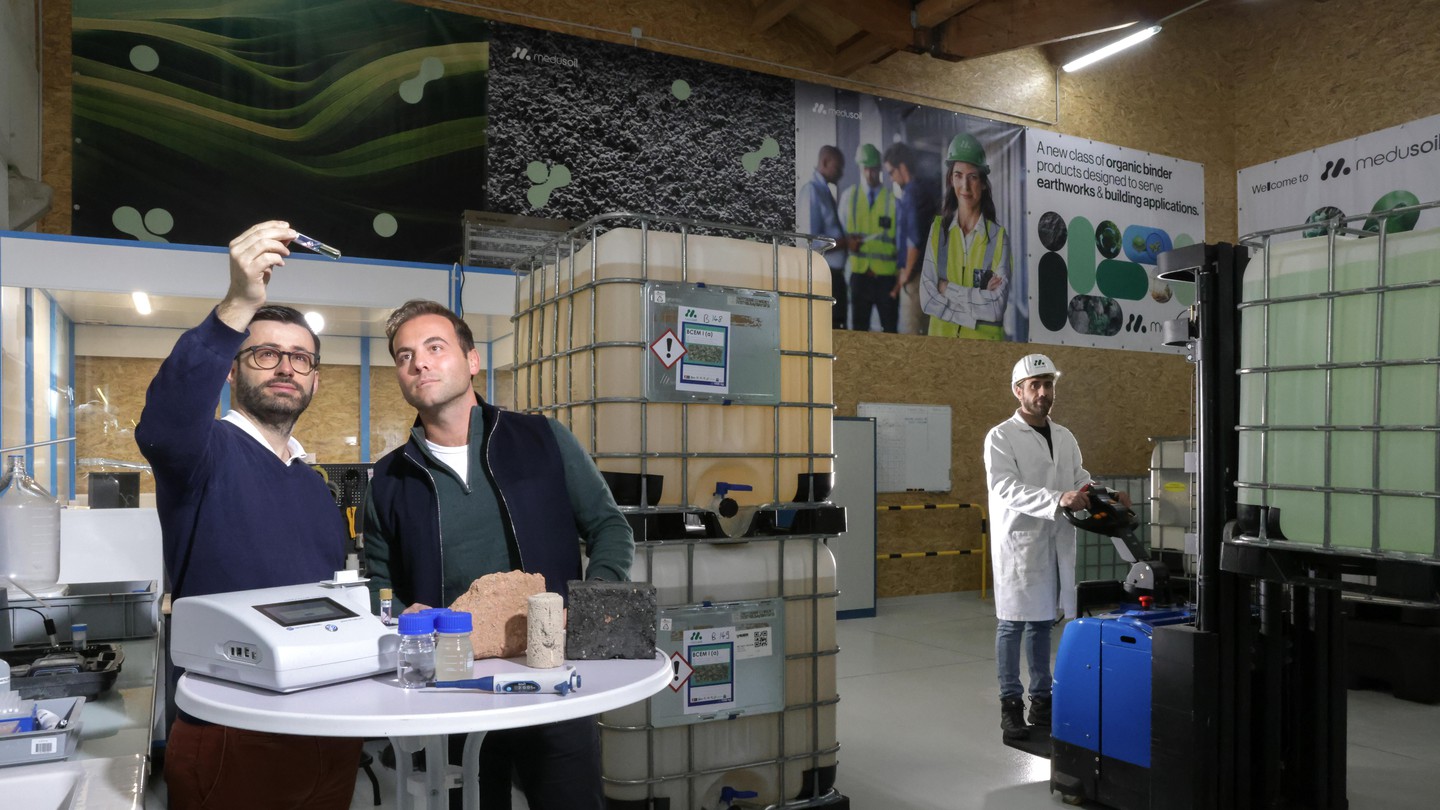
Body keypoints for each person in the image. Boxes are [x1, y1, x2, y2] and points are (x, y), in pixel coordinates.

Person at [363, 299, 635, 810]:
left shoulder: (543, 440)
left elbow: (608, 527)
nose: (419, 362)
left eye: (434, 347)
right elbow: (377, 584)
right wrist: (400, 616)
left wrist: (593, 603)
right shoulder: (388, 481)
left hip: (552, 681)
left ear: (472, 361)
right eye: (404, 355)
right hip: (455, 693)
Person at [135, 221, 359, 809]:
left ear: (314, 379)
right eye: (265, 354)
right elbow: (163, 423)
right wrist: (237, 302)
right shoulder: (202, 455)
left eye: (301, 359)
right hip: (233, 736)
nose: (286, 368)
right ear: (232, 369)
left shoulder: (314, 489)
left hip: (326, 730)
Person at [983, 353, 1128, 742]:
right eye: (1036, 385)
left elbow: (1079, 479)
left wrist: (1109, 494)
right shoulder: (1001, 436)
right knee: (1013, 624)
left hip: (1056, 542)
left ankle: (1042, 701)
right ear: (1019, 391)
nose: (1044, 392)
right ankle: (1010, 705)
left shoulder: (1064, 436)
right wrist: (1056, 499)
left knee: (1043, 622)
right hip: (1021, 543)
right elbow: (1004, 488)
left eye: (1049, 385)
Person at [920, 133, 1012, 340]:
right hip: (941, 347)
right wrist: (977, 305)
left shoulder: (999, 238)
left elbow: (996, 307)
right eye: (958, 175)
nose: (965, 186)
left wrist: (945, 288)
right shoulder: (938, 231)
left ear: (984, 183)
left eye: (973, 177)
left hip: (984, 351)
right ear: (951, 180)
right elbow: (927, 300)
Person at [838, 143, 899, 332]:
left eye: (873, 169)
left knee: (890, 333)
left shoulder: (892, 201)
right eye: (866, 168)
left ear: (879, 169)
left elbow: (899, 241)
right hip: (859, 276)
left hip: (886, 278)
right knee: (858, 331)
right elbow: (841, 233)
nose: (870, 174)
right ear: (860, 168)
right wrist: (849, 243)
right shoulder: (849, 197)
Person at [882, 142, 939, 334]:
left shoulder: (911, 194)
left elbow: (914, 240)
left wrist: (906, 274)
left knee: (911, 334)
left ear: (902, 168)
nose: (891, 178)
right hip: (927, 274)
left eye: (891, 172)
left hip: (915, 278)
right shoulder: (924, 190)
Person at [800, 144, 849, 329]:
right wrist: (844, 243)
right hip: (824, 276)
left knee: (838, 325)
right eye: (838, 168)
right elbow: (810, 241)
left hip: (834, 275)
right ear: (825, 162)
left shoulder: (825, 191)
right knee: (829, 328)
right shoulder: (812, 191)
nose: (841, 173)